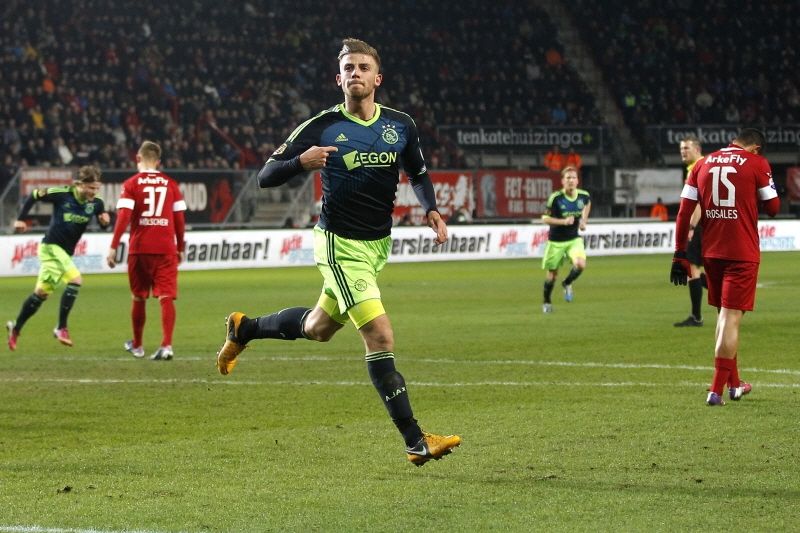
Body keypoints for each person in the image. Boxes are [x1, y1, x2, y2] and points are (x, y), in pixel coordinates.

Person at [215, 38, 461, 466]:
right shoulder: (321, 126)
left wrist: (432, 209)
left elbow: (418, 172)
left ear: (378, 78)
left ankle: (245, 328)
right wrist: (301, 162)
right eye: (349, 68)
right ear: (338, 78)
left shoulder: (401, 125)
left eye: (363, 67)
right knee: (380, 336)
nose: (356, 74)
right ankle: (416, 440)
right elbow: (265, 176)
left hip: (376, 245)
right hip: (338, 243)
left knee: (318, 328)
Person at [670, 128, 780, 406]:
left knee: (724, 317)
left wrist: (679, 253)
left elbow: (684, 212)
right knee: (730, 319)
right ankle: (716, 390)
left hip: (712, 253)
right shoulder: (757, 163)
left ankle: (735, 384)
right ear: (755, 148)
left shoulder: (703, 163)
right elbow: (773, 207)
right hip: (741, 253)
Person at [6, 166, 110, 350]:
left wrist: (104, 223)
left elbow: (102, 221)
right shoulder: (62, 194)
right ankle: (61, 328)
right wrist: (21, 218)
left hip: (64, 252)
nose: (94, 192)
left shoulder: (97, 203)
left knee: (41, 294)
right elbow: (34, 195)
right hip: (51, 247)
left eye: (97, 188)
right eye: (90, 188)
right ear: (79, 184)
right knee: (76, 280)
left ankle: (16, 328)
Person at [106, 140, 187, 361]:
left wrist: (113, 246)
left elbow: (123, 216)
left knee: (139, 296)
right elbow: (179, 219)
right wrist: (180, 247)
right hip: (166, 248)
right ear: (158, 161)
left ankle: (138, 346)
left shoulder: (131, 184)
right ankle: (167, 345)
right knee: (166, 296)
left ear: (138, 158)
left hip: (139, 249)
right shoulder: (171, 184)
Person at [541, 165, 591, 313]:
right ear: (562, 181)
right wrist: (563, 222)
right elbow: (545, 218)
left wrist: (584, 221)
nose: (571, 180)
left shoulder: (583, 196)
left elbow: (588, 203)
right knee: (552, 276)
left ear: (577, 181)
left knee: (580, 264)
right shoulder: (556, 198)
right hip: (555, 241)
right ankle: (547, 302)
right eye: (568, 178)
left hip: (573, 239)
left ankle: (567, 282)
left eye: (573, 177)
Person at [674, 135, 707, 327]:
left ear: (697, 149)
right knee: (698, 268)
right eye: (681, 149)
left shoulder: (697, 169)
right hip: (710, 224)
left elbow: (698, 202)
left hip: (700, 224)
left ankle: (696, 317)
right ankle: (725, 297)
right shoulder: (704, 166)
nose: (683, 152)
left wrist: (692, 226)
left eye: (686, 148)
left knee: (692, 268)